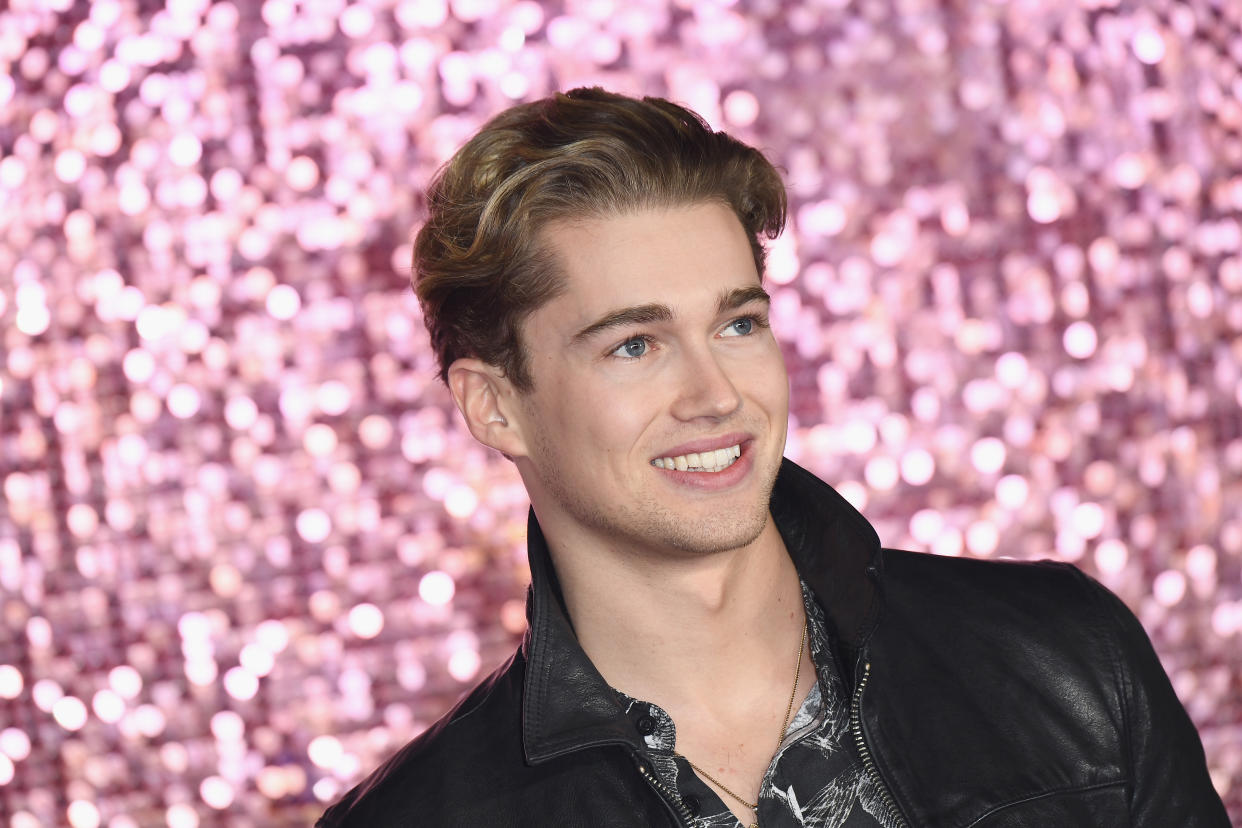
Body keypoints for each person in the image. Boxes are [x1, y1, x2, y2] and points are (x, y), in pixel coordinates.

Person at [317, 88, 1229, 827]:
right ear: (494, 404)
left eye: (738, 323)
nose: (717, 394)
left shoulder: (1068, 661)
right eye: (635, 344)